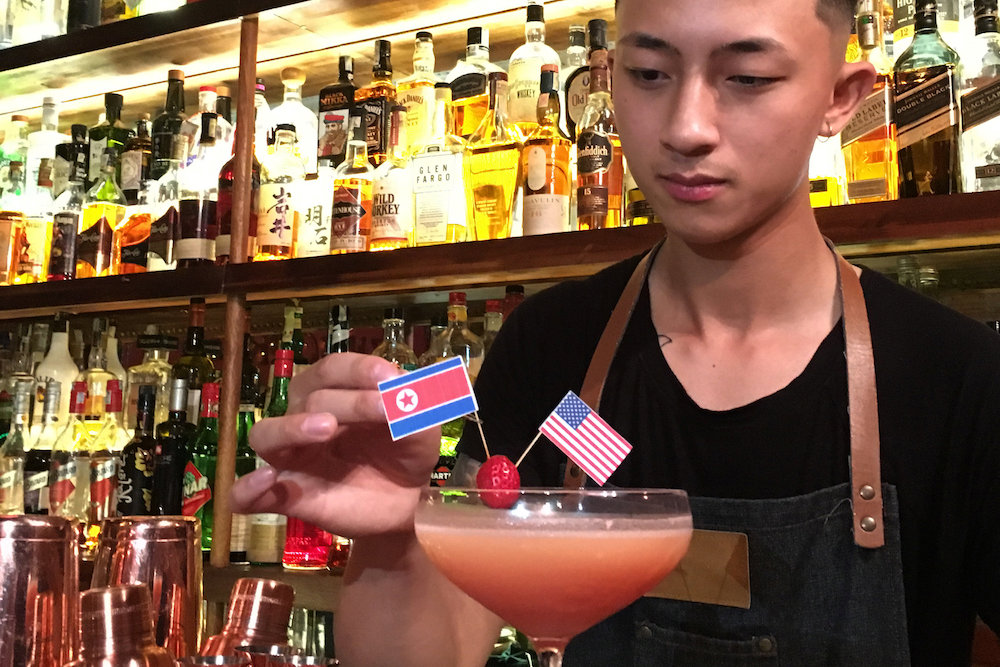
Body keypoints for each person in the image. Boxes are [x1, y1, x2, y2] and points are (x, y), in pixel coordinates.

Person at [232, 0, 1000, 664]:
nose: (686, 127)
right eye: (649, 74)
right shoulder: (552, 346)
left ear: (841, 98)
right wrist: (395, 537)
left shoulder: (956, 375)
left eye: (749, 78)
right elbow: (436, 649)